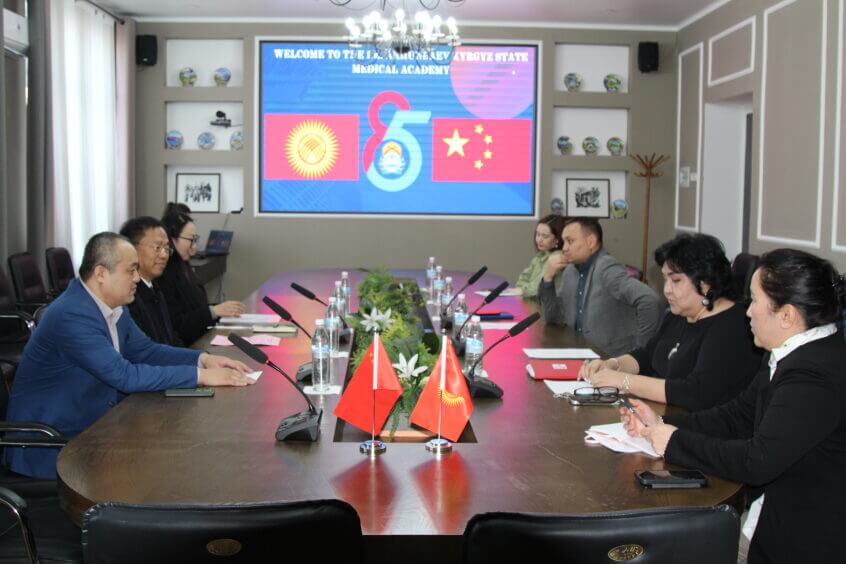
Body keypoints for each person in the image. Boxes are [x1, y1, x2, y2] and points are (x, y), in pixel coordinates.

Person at [621, 248, 846, 564]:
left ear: (787, 315)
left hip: (805, 541)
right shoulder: (790, 350)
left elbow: (756, 462)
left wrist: (673, 442)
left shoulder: (813, 377)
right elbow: (738, 415)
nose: (747, 312)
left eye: (754, 301)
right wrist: (660, 424)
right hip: (772, 521)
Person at [5, 232, 255, 479]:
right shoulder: (72, 314)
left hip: (96, 427)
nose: (137, 277)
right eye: (131, 270)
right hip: (53, 446)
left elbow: (146, 351)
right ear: (101, 273)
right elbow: (124, 376)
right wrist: (200, 376)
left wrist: (203, 359)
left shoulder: (113, 306)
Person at [580, 234, 762, 410]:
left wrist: (624, 381)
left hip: (701, 425)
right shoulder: (678, 314)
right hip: (662, 415)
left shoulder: (732, 327)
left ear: (705, 282)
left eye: (675, 280)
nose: (666, 289)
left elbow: (695, 393)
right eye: (665, 279)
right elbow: (647, 356)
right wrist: (613, 365)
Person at [538, 217, 662, 356]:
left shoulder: (607, 268)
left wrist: (640, 350)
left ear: (590, 242)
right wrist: (548, 278)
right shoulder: (570, 271)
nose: (564, 248)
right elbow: (554, 317)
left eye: (570, 241)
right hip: (580, 354)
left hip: (611, 359)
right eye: (564, 241)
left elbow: (650, 301)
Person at [158, 204, 245, 345]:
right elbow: (178, 325)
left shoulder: (183, 266)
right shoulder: (164, 274)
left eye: (195, 240)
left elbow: (196, 308)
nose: (194, 247)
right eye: (191, 240)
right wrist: (213, 311)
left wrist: (220, 309)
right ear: (172, 239)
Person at [120, 216, 183, 346]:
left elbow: (171, 338)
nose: (164, 255)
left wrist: (199, 356)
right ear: (131, 248)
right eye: (157, 247)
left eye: (167, 248)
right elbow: (144, 350)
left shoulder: (155, 287)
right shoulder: (127, 296)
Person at [514, 214, 568, 298]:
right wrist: (523, 289)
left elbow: (537, 288)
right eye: (538, 234)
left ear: (557, 239)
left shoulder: (557, 257)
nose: (539, 240)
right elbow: (521, 281)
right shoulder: (540, 255)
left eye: (545, 236)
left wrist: (523, 290)